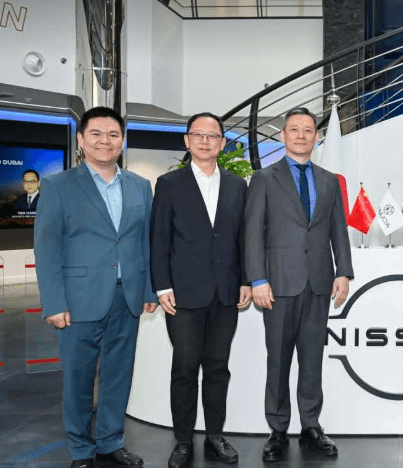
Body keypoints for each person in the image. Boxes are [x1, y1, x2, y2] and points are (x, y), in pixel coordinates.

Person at [34, 106, 158, 468]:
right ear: (81, 139)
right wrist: (54, 302)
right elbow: (47, 248)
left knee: (118, 375)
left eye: (113, 134)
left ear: (123, 140)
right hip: (77, 300)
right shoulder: (58, 186)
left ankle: (110, 441)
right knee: (78, 378)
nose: (106, 141)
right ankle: (81, 449)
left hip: (127, 297)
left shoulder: (139, 186)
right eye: (97, 134)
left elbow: (146, 243)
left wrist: (148, 290)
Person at [244, 107, 354, 463]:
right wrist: (257, 278)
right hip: (277, 284)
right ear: (283, 135)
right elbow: (252, 232)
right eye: (295, 129)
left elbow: (338, 228)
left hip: (319, 283)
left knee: (312, 359)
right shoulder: (264, 178)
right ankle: (277, 429)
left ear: (317, 137)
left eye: (308, 130)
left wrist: (343, 271)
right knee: (278, 360)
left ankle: (310, 425)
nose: (302, 135)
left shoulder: (329, 180)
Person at [149, 112, 251, 468]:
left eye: (212, 136)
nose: (205, 141)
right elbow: (159, 239)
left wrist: (246, 280)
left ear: (222, 143)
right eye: (198, 135)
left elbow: (243, 239)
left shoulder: (238, 185)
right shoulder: (169, 184)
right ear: (187, 141)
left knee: (218, 368)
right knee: (185, 368)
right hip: (183, 294)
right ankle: (182, 439)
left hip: (226, 293)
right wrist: (162, 286)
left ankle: (215, 436)